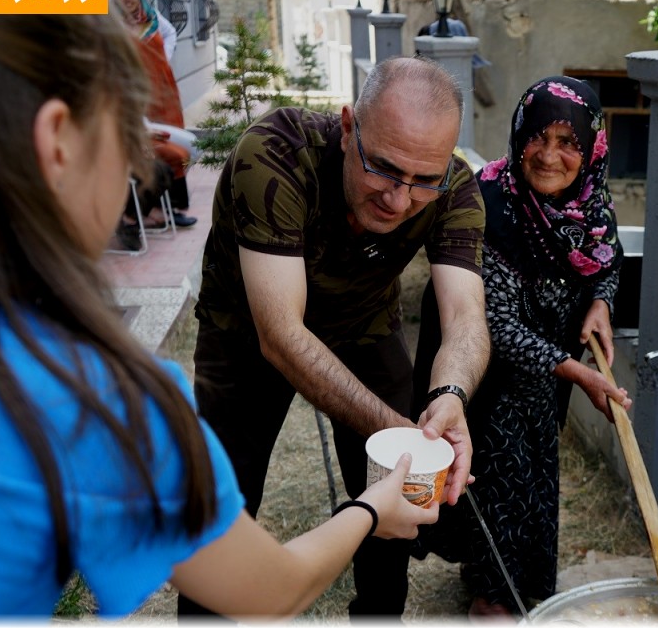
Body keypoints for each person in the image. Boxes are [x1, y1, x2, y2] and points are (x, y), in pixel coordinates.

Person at [0, 11, 438, 619]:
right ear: (58, 140)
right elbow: (267, 589)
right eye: (130, 134)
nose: (138, 169)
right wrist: (372, 510)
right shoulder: (92, 401)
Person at [181, 56, 491, 619]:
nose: (399, 200)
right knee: (223, 505)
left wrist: (451, 395)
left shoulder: (454, 186)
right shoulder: (275, 153)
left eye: (424, 180)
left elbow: (466, 316)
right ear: (349, 128)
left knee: (395, 492)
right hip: (244, 332)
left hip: (363, 326)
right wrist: (401, 432)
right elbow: (281, 334)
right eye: (383, 169)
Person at [411, 76, 632, 618]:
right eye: (538, 136)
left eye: (568, 142)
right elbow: (498, 327)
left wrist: (601, 302)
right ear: (518, 136)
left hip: (542, 381)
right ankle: (492, 598)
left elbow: (608, 262)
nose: (549, 156)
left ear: (592, 149)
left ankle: (513, 581)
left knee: (534, 478)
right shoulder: (490, 207)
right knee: (499, 479)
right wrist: (578, 373)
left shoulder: (591, 210)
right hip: (484, 377)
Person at [113, 0, 198, 236]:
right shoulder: (114, 26)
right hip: (138, 96)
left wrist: (163, 59)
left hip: (162, 88)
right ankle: (155, 208)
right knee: (161, 149)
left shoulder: (151, 17)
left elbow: (171, 33)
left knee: (174, 141)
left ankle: (176, 207)